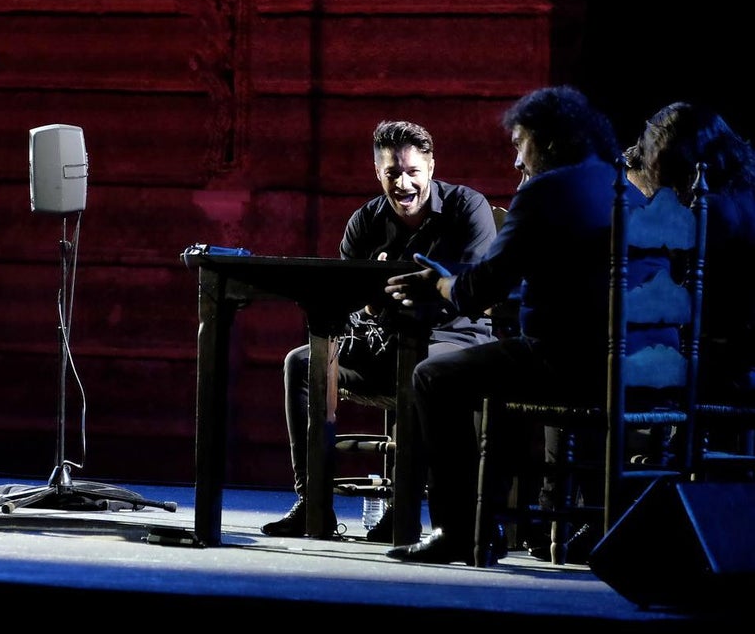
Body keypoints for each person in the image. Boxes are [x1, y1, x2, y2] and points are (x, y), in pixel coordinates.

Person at [381, 86, 650, 565]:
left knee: (434, 376)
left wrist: (439, 283)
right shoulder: (626, 189)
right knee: (496, 366)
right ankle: (500, 522)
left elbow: (480, 288)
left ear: (547, 141)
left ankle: (461, 531)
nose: (516, 160)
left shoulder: (547, 190)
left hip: (572, 366)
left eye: (520, 144)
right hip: (640, 366)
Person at [261, 119, 497, 541]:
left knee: (422, 367)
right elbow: (344, 302)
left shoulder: (467, 206)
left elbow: (477, 287)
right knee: (302, 363)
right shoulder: (366, 221)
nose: (403, 184)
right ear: (377, 173)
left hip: (454, 338)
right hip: (385, 343)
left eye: (412, 172)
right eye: (392, 173)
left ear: (431, 167)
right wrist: (368, 299)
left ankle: (402, 509)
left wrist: (411, 295)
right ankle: (314, 504)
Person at [626, 101, 755, 443]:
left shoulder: (707, 211)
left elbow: (673, 297)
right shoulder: (743, 192)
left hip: (716, 366)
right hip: (739, 361)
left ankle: (638, 466)